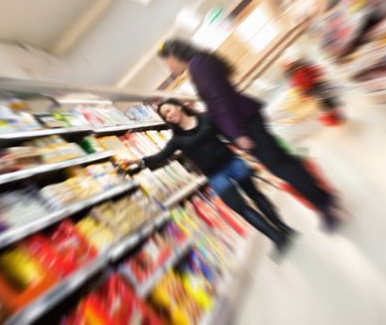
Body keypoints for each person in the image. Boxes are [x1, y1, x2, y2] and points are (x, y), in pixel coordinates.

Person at [157, 39, 340, 231]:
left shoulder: (197, 67)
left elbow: (221, 101)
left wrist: (237, 133)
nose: (168, 67)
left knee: (282, 167)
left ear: (174, 56)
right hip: (247, 119)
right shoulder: (201, 62)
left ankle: (324, 204)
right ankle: (325, 198)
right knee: (284, 162)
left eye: (166, 62)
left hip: (245, 124)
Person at [120, 99, 295, 252]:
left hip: (232, 163)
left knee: (256, 195)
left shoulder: (206, 118)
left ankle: (284, 228)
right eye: (165, 116)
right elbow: (160, 156)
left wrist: (244, 143)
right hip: (215, 176)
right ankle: (276, 237)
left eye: (168, 110)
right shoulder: (177, 140)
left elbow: (227, 133)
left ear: (177, 107)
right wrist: (139, 162)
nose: (168, 116)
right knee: (241, 208)